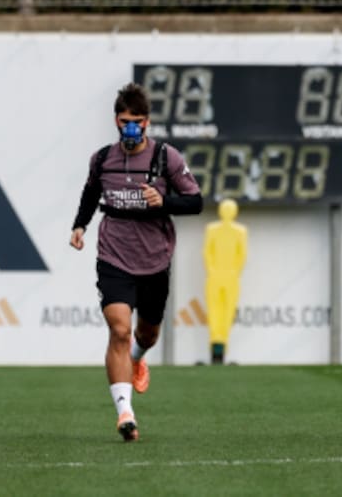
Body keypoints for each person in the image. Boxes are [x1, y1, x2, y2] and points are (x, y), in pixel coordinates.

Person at [69, 83, 203, 441]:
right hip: (113, 255)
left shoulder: (166, 158)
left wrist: (164, 200)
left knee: (146, 334)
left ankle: (139, 357)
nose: (131, 128)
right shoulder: (102, 159)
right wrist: (80, 225)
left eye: (138, 121)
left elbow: (196, 201)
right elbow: (90, 192)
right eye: (125, 121)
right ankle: (125, 413)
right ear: (117, 120)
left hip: (155, 259)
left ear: (147, 122)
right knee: (119, 330)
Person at [203, 198, 248, 365]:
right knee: (216, 315)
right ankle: (216, 351)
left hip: (229, 278)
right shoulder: (212, 230)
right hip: (217, 277)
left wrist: (234, 272)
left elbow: (241, 255)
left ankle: (220, 351)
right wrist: (213, 270)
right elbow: (208, 252)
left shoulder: (240, 231)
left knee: (226, 315)